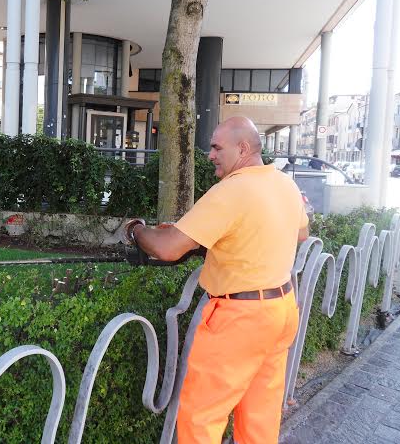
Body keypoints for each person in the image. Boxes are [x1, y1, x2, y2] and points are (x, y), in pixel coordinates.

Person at [124, 116, 308, 444]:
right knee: (260, 418)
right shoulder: (284, 184)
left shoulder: (232, 190)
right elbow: (301, 234)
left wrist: (136, 230)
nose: (209, 154)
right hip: (281, 309)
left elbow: (167, 248)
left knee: (201, 419)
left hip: (239, 321)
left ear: (243, 148)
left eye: (216, 147)